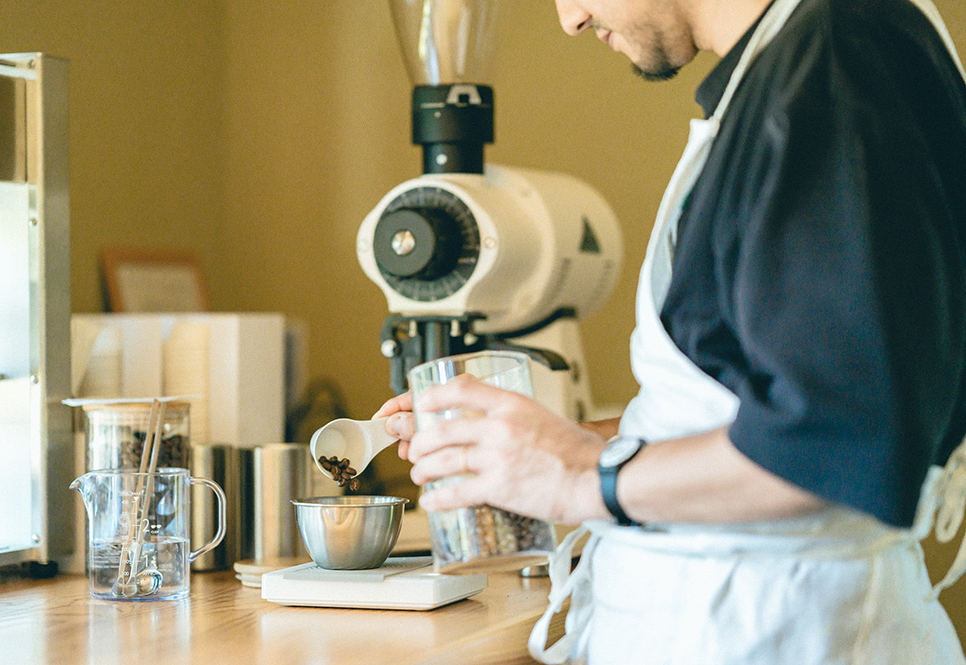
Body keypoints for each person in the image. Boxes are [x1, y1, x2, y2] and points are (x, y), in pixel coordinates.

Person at [375, 0, 966, 662]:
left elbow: (839, 438)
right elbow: (754, 409)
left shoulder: (838, 54)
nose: (570, 19)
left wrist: (580, 476)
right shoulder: (792, 67)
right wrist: (545, 443)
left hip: (783, 635)